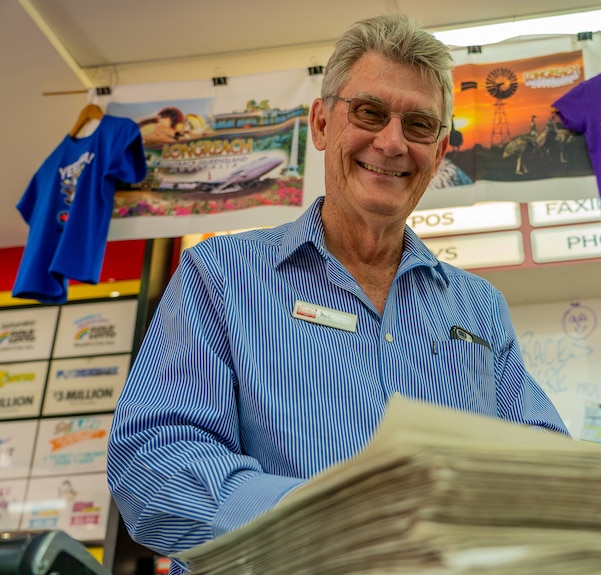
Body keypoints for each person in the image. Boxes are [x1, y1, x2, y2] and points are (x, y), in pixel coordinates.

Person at [106, 13, 568, 574]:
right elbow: (151, 464)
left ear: (439, 153)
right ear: (322, 124)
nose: (392, 142)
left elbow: (546, 464)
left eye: (419, 125)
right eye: (370, 113)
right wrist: (329, 520)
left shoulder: (477, 308)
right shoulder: (219, 276)